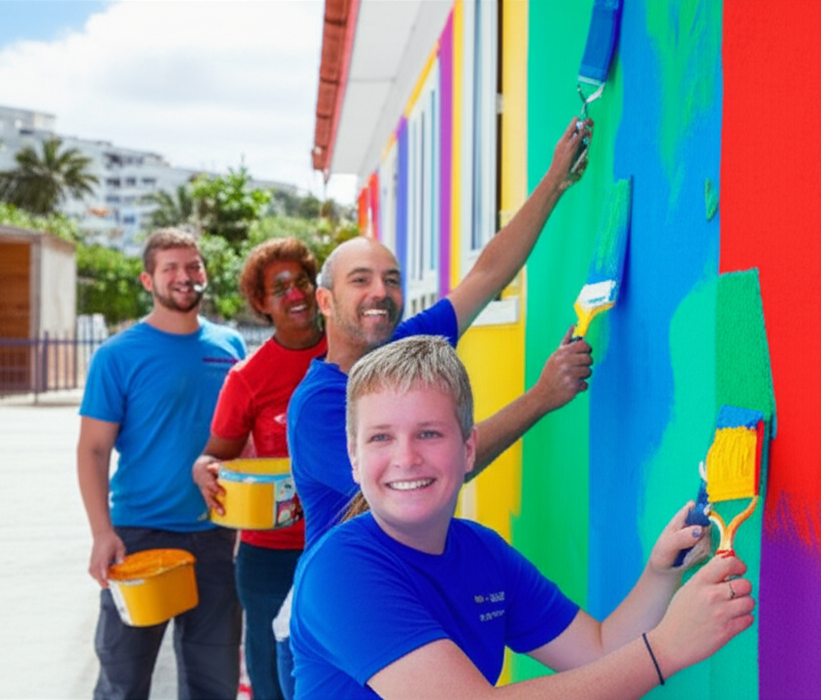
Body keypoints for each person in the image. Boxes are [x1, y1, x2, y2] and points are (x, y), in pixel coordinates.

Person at [278, 116, 596, 696]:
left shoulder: (404, 351)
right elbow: (431, 472)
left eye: (392, 279)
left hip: (422, 585)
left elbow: (487, 274)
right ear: (325, 300)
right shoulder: (320, 404)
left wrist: (554, 181)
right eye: (360, 280)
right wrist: (541, 399)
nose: (381, 291)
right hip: (358, 612)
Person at [290, 336, 756, 699]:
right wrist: (667, 650)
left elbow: (596, 649)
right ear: (352, 457)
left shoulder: (481, 551)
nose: (406, 457)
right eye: (380, 438)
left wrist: (660, 575)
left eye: (429, 433)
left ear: (468, 447)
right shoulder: (340, 571)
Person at [77, 228, 246, 700]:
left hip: (214, 536)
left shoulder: (230, 346)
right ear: (147, 280)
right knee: (123, 679)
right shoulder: (117, 355)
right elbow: (93, 449)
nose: (184, 277)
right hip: (138, 540)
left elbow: (242, 439)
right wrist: (101, 533)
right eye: (170, 267)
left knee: (213, 682)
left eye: (193, 266)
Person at [191, 237, 325, 700]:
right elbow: (216, 455)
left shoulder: (351, 352)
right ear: (261, 303)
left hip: (341, 541)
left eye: (303, 281)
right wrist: (203, 470)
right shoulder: (248, 378)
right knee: (272, 682)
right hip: (269, 555)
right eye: (280, 286)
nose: (296, 294)